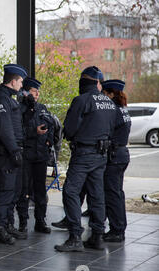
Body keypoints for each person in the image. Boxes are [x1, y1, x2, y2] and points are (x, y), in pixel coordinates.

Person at [54, 66, 117, 252]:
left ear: (84, 82)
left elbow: (70, 129)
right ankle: (97, 237)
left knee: (71, 192)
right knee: (97, 195)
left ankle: (75, 236)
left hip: (83, 153)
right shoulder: (108, 102)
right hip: (101, 155)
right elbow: (113, 128)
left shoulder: (81, 100)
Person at [0, 64, 28, 245]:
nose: (21, 85)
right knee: (5, 191)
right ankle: (0, 228)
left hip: (14, 151)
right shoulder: (0, 101)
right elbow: (4, 130)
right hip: (6, 154)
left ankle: (9, 224)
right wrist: (13, 151)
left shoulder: (10, 100)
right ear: (13, 81)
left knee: (15, 191)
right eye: (20, 81)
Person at [16, 77, 55, 234]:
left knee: (40, 190)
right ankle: (23, 222)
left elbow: (52, 126)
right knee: (24, 190)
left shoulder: (42, 108)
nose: (37, 93)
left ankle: (40, 221)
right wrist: (34, 132)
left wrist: (49, 142)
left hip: (41, 156)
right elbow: (18, 132)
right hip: (26, 155)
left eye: (38, 91)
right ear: (26, 92)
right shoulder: (19, 109)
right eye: (34, 91)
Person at [101, 79, 131, 242]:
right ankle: (118, 228)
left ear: (111, 94)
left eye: (105, 93)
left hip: (114, 156)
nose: (103, 96)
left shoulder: (113, 111)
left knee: (112, 194)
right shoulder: (123, 109)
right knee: (117, 193)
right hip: (121, 154)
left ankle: (117, 230)